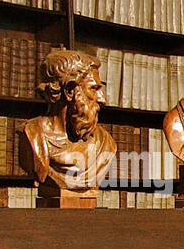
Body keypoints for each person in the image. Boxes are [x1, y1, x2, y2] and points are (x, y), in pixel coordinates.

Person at [21, 49, 117, 195]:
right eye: (93, 88)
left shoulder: (104, 143)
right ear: (69, 91)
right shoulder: (31, 136)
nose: (102, 99)